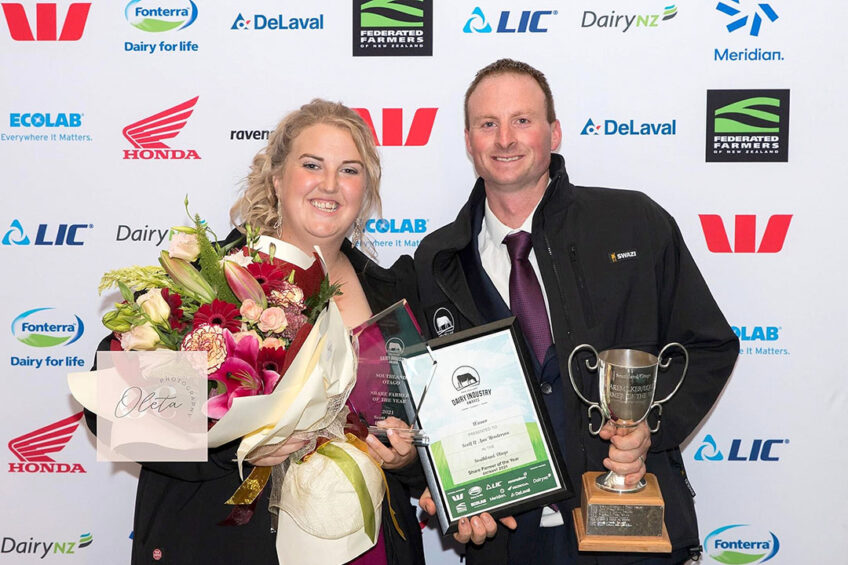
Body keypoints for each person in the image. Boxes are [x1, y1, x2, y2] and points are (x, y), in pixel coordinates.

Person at [414, 59, 739, 565]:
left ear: (554, 132)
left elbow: (709, 344)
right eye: (488, 124)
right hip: (506, 542)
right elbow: (430, 405)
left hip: (626, 524)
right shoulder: (436, 262)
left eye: (522, 120)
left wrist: (650, 424)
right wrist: (453, 489)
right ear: (468, 139)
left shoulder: (635, 223)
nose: (505, 139)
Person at [86, 99, 427, 565]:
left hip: (365, 546)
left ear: (364, 188)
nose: (329, 184)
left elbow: (417, 428)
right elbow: (111, 408)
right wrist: (237, 448)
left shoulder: (392, 291)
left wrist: (407, 460)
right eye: (312, 165)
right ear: (276, 178)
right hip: (231, 542)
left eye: (349, 170)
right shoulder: (213, 277)